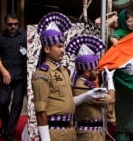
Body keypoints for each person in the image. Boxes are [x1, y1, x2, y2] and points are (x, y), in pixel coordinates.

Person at [32, 12, 107, 141]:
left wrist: (87, 96)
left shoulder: (63, 71)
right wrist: (45, 139)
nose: (62, 50)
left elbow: (67, 103)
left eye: (63, 46)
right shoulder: (42, 74)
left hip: (70, 131)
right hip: (55, 132)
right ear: (47, 49)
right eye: (59, 46)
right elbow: (41, 112)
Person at [66, 34, 115, 141]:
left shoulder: (83, 84)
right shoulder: (82, 87)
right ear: (87, 72)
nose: (98, 72)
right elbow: (111, 99)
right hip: (88, 135)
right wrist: (110, 80)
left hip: (92, 133)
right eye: (96, 69)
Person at [108, 9, 133, 141]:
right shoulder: (119, 33)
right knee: (124, 108)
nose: (132, 23)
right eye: (129, 21)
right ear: (123, 22)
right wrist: (116, 44)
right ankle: (122, 134)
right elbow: (113, 37)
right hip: (123, 79)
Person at [0, 12, 27, 141]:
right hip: (6, 75)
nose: (13, 26)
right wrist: (3, 70)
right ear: (6, 24)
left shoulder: (25, 36)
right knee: (2, 103)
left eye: (15, 24)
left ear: (18, 23)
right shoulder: (0, 38)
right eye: (10, 24)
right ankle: (5, 125)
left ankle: (10, 133)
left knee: (17, 104)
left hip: (21, 76)